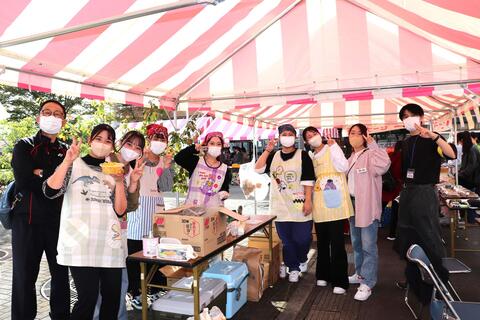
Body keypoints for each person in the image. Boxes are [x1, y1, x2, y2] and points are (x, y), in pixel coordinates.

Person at [44, 124, 128, 320]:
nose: (102, 144)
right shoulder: (74, 164)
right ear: (90, 141)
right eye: (99, 139)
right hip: (81, 244)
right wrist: (67, 160)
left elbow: (120, 210)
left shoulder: (114, 170)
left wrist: (119, 181)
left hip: (109, 244)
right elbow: (50, 190)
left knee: (112, 299)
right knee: (87, 299)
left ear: (112, 147)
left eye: (108, 141)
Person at [10, 100, 71, 320]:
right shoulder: (23, 146)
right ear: (38, 117)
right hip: (27, 221)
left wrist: (42, 173)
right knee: (24, 277)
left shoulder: (67, 150)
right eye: (47, 112)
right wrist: (53, 177)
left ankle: (61, 316)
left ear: (63, 121)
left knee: (61, 275)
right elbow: (25, 180)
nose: (52, 117)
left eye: (57, 114)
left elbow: (67, 183)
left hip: (58, 222)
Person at [395, 103, 456, 304]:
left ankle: (440, 281)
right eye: (404, 116)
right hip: (408, 192)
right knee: (407, 235)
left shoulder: (432, 138)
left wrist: (434, 136)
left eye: (412, 115)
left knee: (429, 235)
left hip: (424, 192)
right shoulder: (404, 142)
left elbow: (451, 154)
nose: (408, 118)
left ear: (421, 117)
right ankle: (413, 278)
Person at [93, 130, 145, 320]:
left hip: (119, 231)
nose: (132, 150)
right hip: (98, 229)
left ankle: (120, 316)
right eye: (129, 144)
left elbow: (130, 206)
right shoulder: (106, 159)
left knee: (120, 279)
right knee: (98, 281)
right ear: (121, 142)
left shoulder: (132, 170)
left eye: (138, 147)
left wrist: (132, 182)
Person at [255, 124, 315, 283]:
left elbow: (308, 180)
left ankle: (302, 258)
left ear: (295, 137)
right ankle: (293, 267)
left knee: (302, 239)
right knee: (287, 240)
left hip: (299, 203)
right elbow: (258, 169)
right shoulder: (274, 155)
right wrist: (267, 150)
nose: (287, 136)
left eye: (290, 134)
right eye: (284, 134)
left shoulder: (303, 155)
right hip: (279, 206)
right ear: (280, 137)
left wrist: (308, 200)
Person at [127, 124, 173, 309]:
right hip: (137, 212)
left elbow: (167, 187)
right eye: (157, 138)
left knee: (156, 256)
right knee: (135, 256)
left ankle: (156, 290)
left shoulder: (165, 160)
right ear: (149, 139)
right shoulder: (136, 159)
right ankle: (135, 292)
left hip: (157, 213)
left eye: (163, 139)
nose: (159, 142)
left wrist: (168, 168)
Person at [302, 127, 352, 294]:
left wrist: (334, 147)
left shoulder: (331, 147)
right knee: (322, 241)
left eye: (314, 134)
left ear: (319, 135)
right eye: (309, 137)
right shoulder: (310, 155)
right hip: (319, 200)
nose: (312, 138)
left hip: (335, 196)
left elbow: (343, 166)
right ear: (306, 142)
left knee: (337, 242)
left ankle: (340, 280)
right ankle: (323, 274)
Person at [346, 123, 390, 301]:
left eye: (358, 133)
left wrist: (373, 144)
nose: (354, 136)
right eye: (351, 133)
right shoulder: (350, 157)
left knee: (368, 245)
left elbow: (384, 164)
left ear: (365, 136)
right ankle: (359, 274)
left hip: (367, 206)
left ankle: (368, 282)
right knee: (356, 244)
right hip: (352, 205)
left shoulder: (371, 154)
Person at [174, 132, 232, 206]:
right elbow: (178, 158)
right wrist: (194, 148)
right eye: (212, 143)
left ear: (222, 147)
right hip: (192, 210)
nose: (215, 146)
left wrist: (224, 194)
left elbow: (224, 189)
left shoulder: (224, 168)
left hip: (212, 212)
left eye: (218, 144)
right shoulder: (196, 162)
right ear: (206, 145)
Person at [456, 131, 480, 223]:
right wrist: (460, 171)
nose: (460, 143)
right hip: (468, 178)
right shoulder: (468, 149)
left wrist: (462, 174)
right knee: (466, 198)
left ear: (462, 140)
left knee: (469, 199)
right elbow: (465, 165)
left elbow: (472, 165)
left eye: (460, 141)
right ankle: (466, 217)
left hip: (472, 180)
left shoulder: (472, 149)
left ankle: (470, 218)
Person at [381, 141, 403, 241]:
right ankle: (392, 234)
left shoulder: (389, 155)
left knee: (380, 208)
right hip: (397, 188)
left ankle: (375, 226)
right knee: (395, 211)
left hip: (385, 186)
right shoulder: (403, 158)